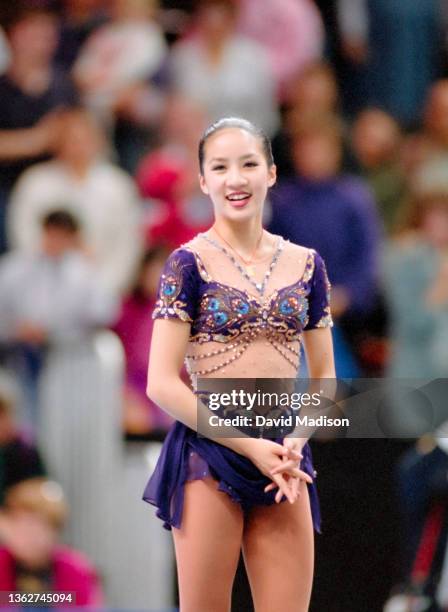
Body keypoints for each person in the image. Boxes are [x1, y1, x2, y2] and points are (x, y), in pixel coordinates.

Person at [142, 117, 335, 611]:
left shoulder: (307, 265)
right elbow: (161, 384)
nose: (236, 179)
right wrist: (248, 446)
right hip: (211, 451)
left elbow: (324, 378)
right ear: (203, 180)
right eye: (221, 167)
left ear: (270, 173)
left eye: (248, 164)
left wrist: (294, 439)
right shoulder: (186, 264)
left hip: (282, 457)